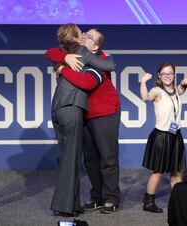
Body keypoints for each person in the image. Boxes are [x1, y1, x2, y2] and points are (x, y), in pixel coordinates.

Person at [46, 28, 121, 214]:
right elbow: (51, 52)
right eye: (84, 33)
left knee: (107, 158)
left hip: (105, 112)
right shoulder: (76, 54)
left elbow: (88, 83)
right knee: (90, 159)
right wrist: (65, 59)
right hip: (85, 113)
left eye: (89, 36)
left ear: (95, 46)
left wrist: (63, 69)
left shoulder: (100, 60)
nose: (84, 36)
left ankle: (111, 198)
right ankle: (97, 197)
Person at [140, 62, 187, 213]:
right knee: (158, 172)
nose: (167, 76)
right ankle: (148, 202)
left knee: (177, 171)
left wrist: (184, 84)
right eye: (164, 74)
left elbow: (179, 91)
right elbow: (145, 97)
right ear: (159, 76)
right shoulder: (157, 91)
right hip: (162, 137)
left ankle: (178, 201)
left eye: (170, 73)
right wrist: (143, 82)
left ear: (174, 75)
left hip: (176, 135)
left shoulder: (174, 89)